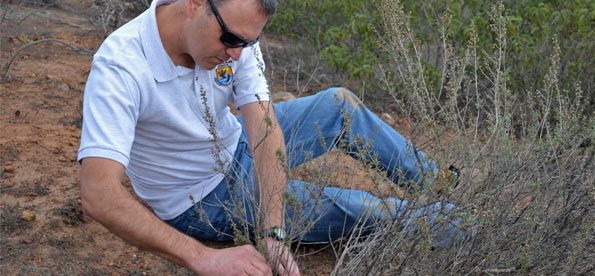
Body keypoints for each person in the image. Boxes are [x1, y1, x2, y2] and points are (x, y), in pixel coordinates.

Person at [78, 0, 458, 275]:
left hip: (237, 143)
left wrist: (272, 230)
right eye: (229, 39)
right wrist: (202, 257)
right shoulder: (120, 66)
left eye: (246, 43)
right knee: (365, 209)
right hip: (205, 197)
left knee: (338, 105)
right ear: (194, 4)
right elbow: (98, 194)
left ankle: (440, 185)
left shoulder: (236, 37)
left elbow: (264, 127)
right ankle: (478, 224)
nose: (236, 55)